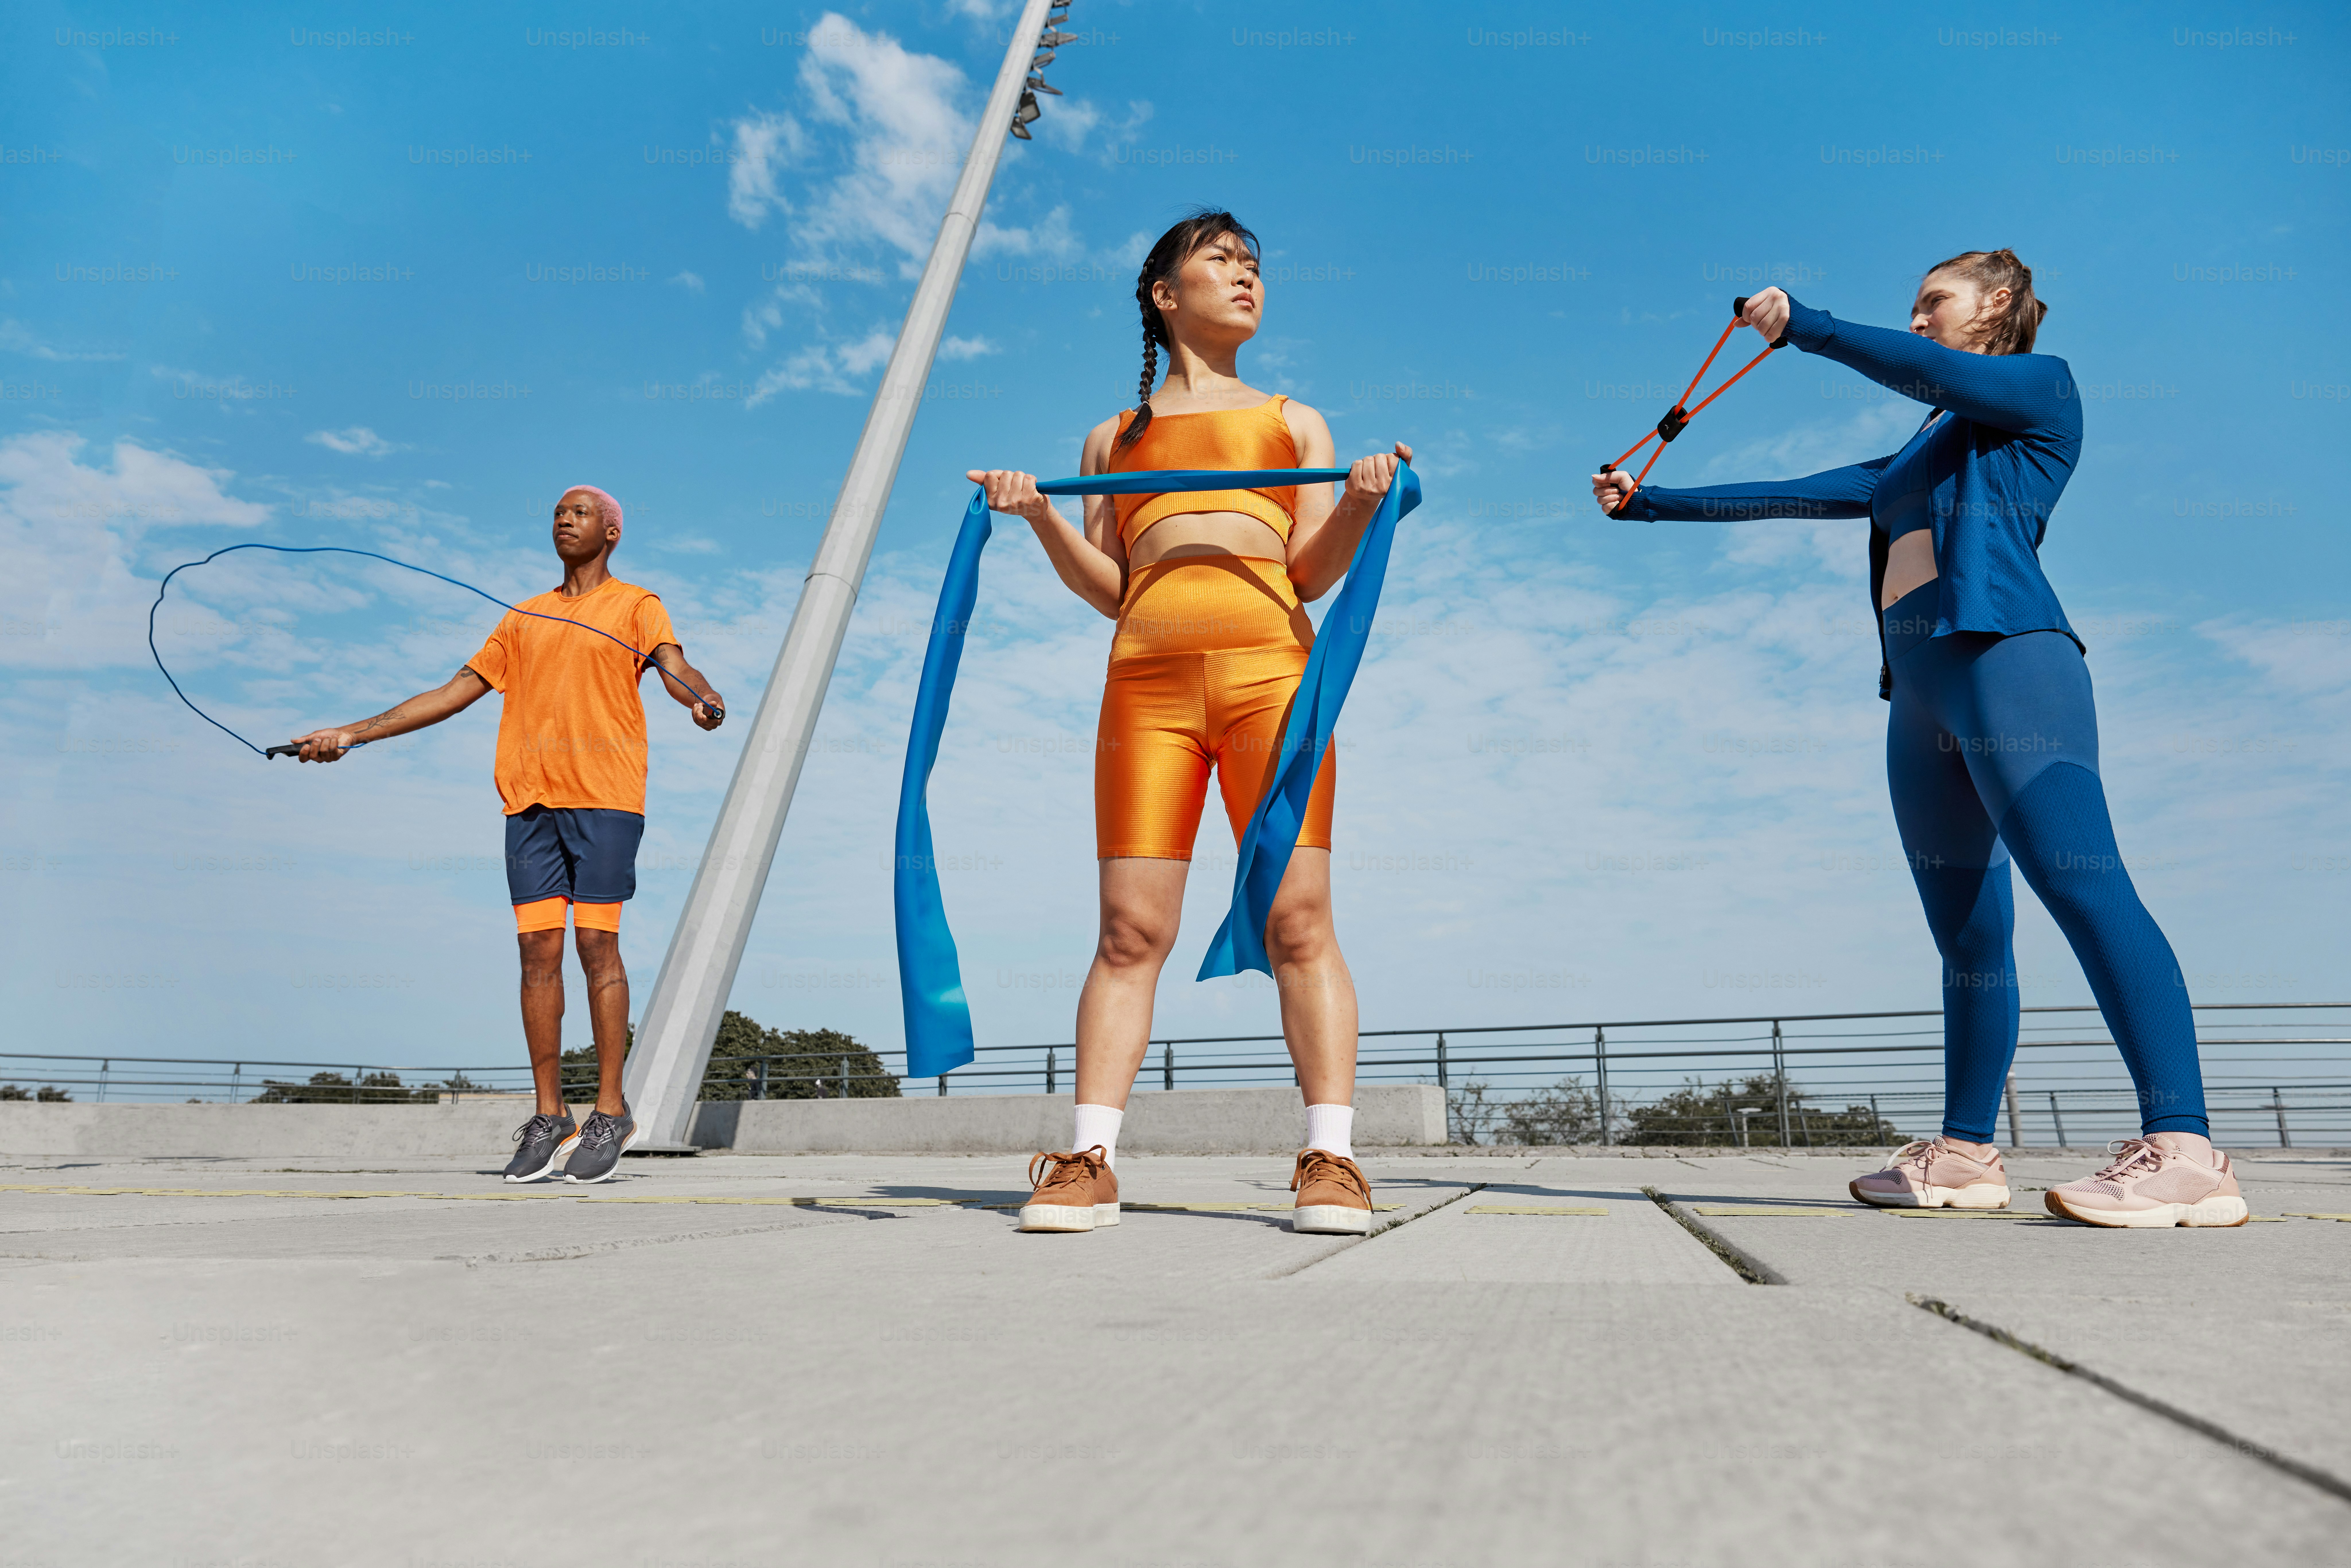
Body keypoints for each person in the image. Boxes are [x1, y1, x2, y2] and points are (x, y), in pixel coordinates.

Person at [1591, 253, 2245, 1229]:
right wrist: (1649, 502)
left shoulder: (2037, 387)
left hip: (2009, 666)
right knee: (1969, 937)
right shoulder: (1925, 446)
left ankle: (2187, 1152)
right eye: (1912, 306)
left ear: (1998, 304)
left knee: (2082, 882)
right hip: (1920, 696)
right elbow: (1801, 491)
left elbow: (1931, 373)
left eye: (1933, 300)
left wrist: (1808, 326)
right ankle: (1965, 1155)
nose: (1917, 316)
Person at [968, 210, 1408, 1236]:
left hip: (1272, 682)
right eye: (1221, 261)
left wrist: (1355, 502)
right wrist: (1037, 516)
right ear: (1165, 295)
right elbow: (1113, 589)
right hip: (1147, 691)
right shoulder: (1110, 440)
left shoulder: (1297, 424)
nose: (1246, 275)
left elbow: (1305, 571)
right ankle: (1088, 1159)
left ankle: (1332, 1158)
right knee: (1130, 931)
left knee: (1299, 920)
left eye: (1255, 263)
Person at [285, 486, 725, 1184]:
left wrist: (702, 698)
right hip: (529, 804)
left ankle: (611, 1109)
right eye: (557, 511)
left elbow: (675, 667)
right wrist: (351, 733)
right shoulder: (522, 617)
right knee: (536, 951)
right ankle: (551, 1115)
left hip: (606, 797)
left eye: (580, 511)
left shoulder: (637, 605)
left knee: (594, 942)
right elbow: (453, 691)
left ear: (611, 531)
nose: (564, 518)